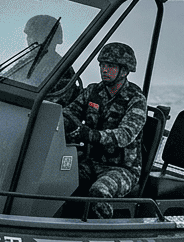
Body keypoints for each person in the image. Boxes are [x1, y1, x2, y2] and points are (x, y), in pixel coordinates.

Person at [62, 42, 147, 218]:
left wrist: (89, 134)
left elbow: (125, 135)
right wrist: (67, 124)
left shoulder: (136, 99)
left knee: (99, 191)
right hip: (90, 161)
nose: (104, 70)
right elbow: (68, 113)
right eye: (102, 65)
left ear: (124, 71)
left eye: (110, 66)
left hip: (122, 169)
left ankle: (103, 231)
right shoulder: (93, 91)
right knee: (58, 175)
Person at [23, 15, 79, 106]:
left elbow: (56, 104)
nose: (31, 40)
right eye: (29, 35)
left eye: (37, 36)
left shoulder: (62, 68)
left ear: (53, 39)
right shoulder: (24, 61)